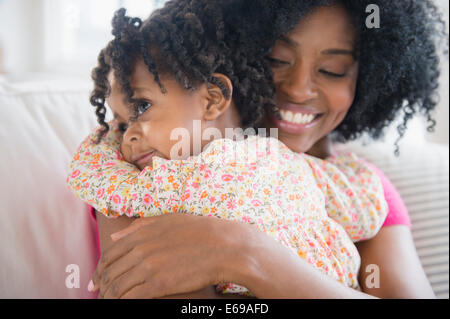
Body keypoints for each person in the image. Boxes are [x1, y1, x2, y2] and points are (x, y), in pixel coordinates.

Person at [84, 0, 445, 298]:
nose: (300, 89)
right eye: (277, 61)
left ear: (366, 79)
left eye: (333, 69)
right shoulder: (139, 164)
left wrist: (244, 252)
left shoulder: (359, 189)